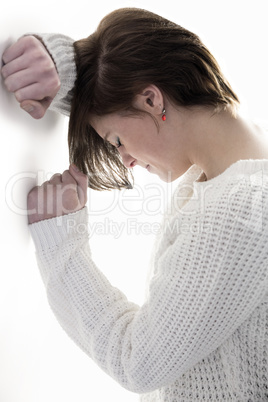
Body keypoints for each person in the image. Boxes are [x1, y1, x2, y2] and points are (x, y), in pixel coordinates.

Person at [1, 8, 268, 401]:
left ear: (150, 98)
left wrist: (60, 244)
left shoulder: (236, 211)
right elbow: (117, 90)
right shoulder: (233, 179)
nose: (124, 160)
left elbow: (138, 362)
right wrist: (64, 70)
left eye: (115, 141)